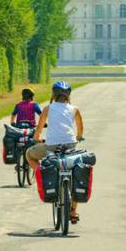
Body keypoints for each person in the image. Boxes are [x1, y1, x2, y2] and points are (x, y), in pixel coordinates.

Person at [25, 81, 84, 224]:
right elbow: (80, 127)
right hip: (70, 145)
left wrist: (37, 137)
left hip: (51, 146)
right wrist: (79, 137)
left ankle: (42, 173)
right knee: (76, 173)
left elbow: (39, 129)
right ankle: (74, 211)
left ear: (53, 94)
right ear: (68, 95)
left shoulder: (48, 108)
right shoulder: (74, 109)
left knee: (29, 154)